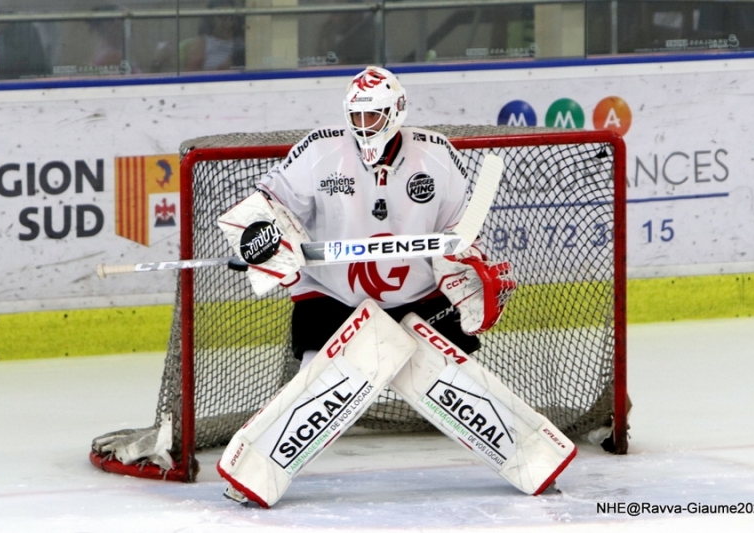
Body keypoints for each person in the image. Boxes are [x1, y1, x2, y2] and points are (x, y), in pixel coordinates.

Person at [217, 66, 518, 504]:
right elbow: (270, 202)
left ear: (396, 111)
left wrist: (466, 266)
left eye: (372, 118)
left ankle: (522, 450)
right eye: (355, 118)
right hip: (332, 294)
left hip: (419, 298)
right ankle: (255, 471)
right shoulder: (320, 151)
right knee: (320, 390)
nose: (363, 128)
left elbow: (459, 231)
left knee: (460, 388)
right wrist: (264, 240)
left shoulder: (436, 156)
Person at [181, 0, 245, 71]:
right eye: (222, 17)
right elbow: (191, 75)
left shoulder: (243, 43)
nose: (228, 22)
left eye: (231, 17)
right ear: (211, 19)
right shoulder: (202, 43)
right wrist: (223, 68)